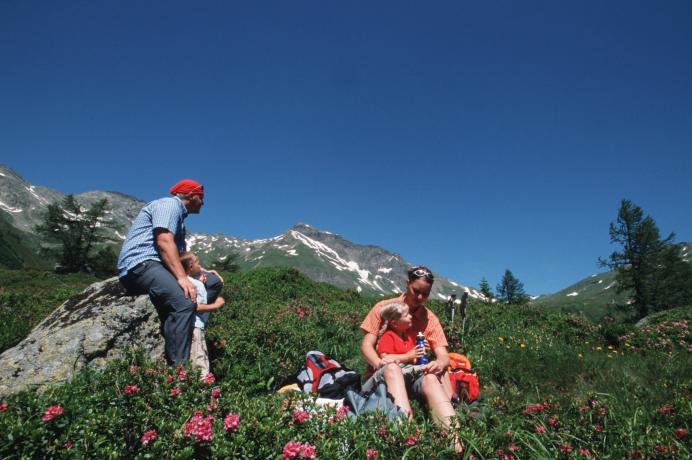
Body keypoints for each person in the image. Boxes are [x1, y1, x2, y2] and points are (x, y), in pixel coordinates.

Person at [117, 179, 224, 365]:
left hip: (161, 266)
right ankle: (179, 369)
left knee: (213, 282)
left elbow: (180, 256)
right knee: (183, 303)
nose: (203, 202)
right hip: (142, 264)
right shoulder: (168, 205)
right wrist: (182, 278)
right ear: (191, 196)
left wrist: (202, 271)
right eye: (201, 197)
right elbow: (164, 241)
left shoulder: (180, 219)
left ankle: (192, 323)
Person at [360, 266, 461, 450]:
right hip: (384, 374)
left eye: (426, 294)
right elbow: (366, 345)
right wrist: (378, 363)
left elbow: (444, 356)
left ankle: (457, 446)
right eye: (416, 291)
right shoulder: (384, 308)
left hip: (413, 375)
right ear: (407, 284)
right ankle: (406, 439)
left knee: (430, 378)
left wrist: (438, 363)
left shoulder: (430, 319)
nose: (420, 298)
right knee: (392, 369)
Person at [180, 251, 225, 377]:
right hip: (195, 326)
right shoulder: (195, 284)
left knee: (194, 359)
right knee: (200, 361)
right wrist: (216, 305)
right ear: (190, 266)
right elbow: (194, 307)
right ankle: (203, 392)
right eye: (198, 263)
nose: (201, 267)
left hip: (188, 326)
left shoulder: (188, 282)